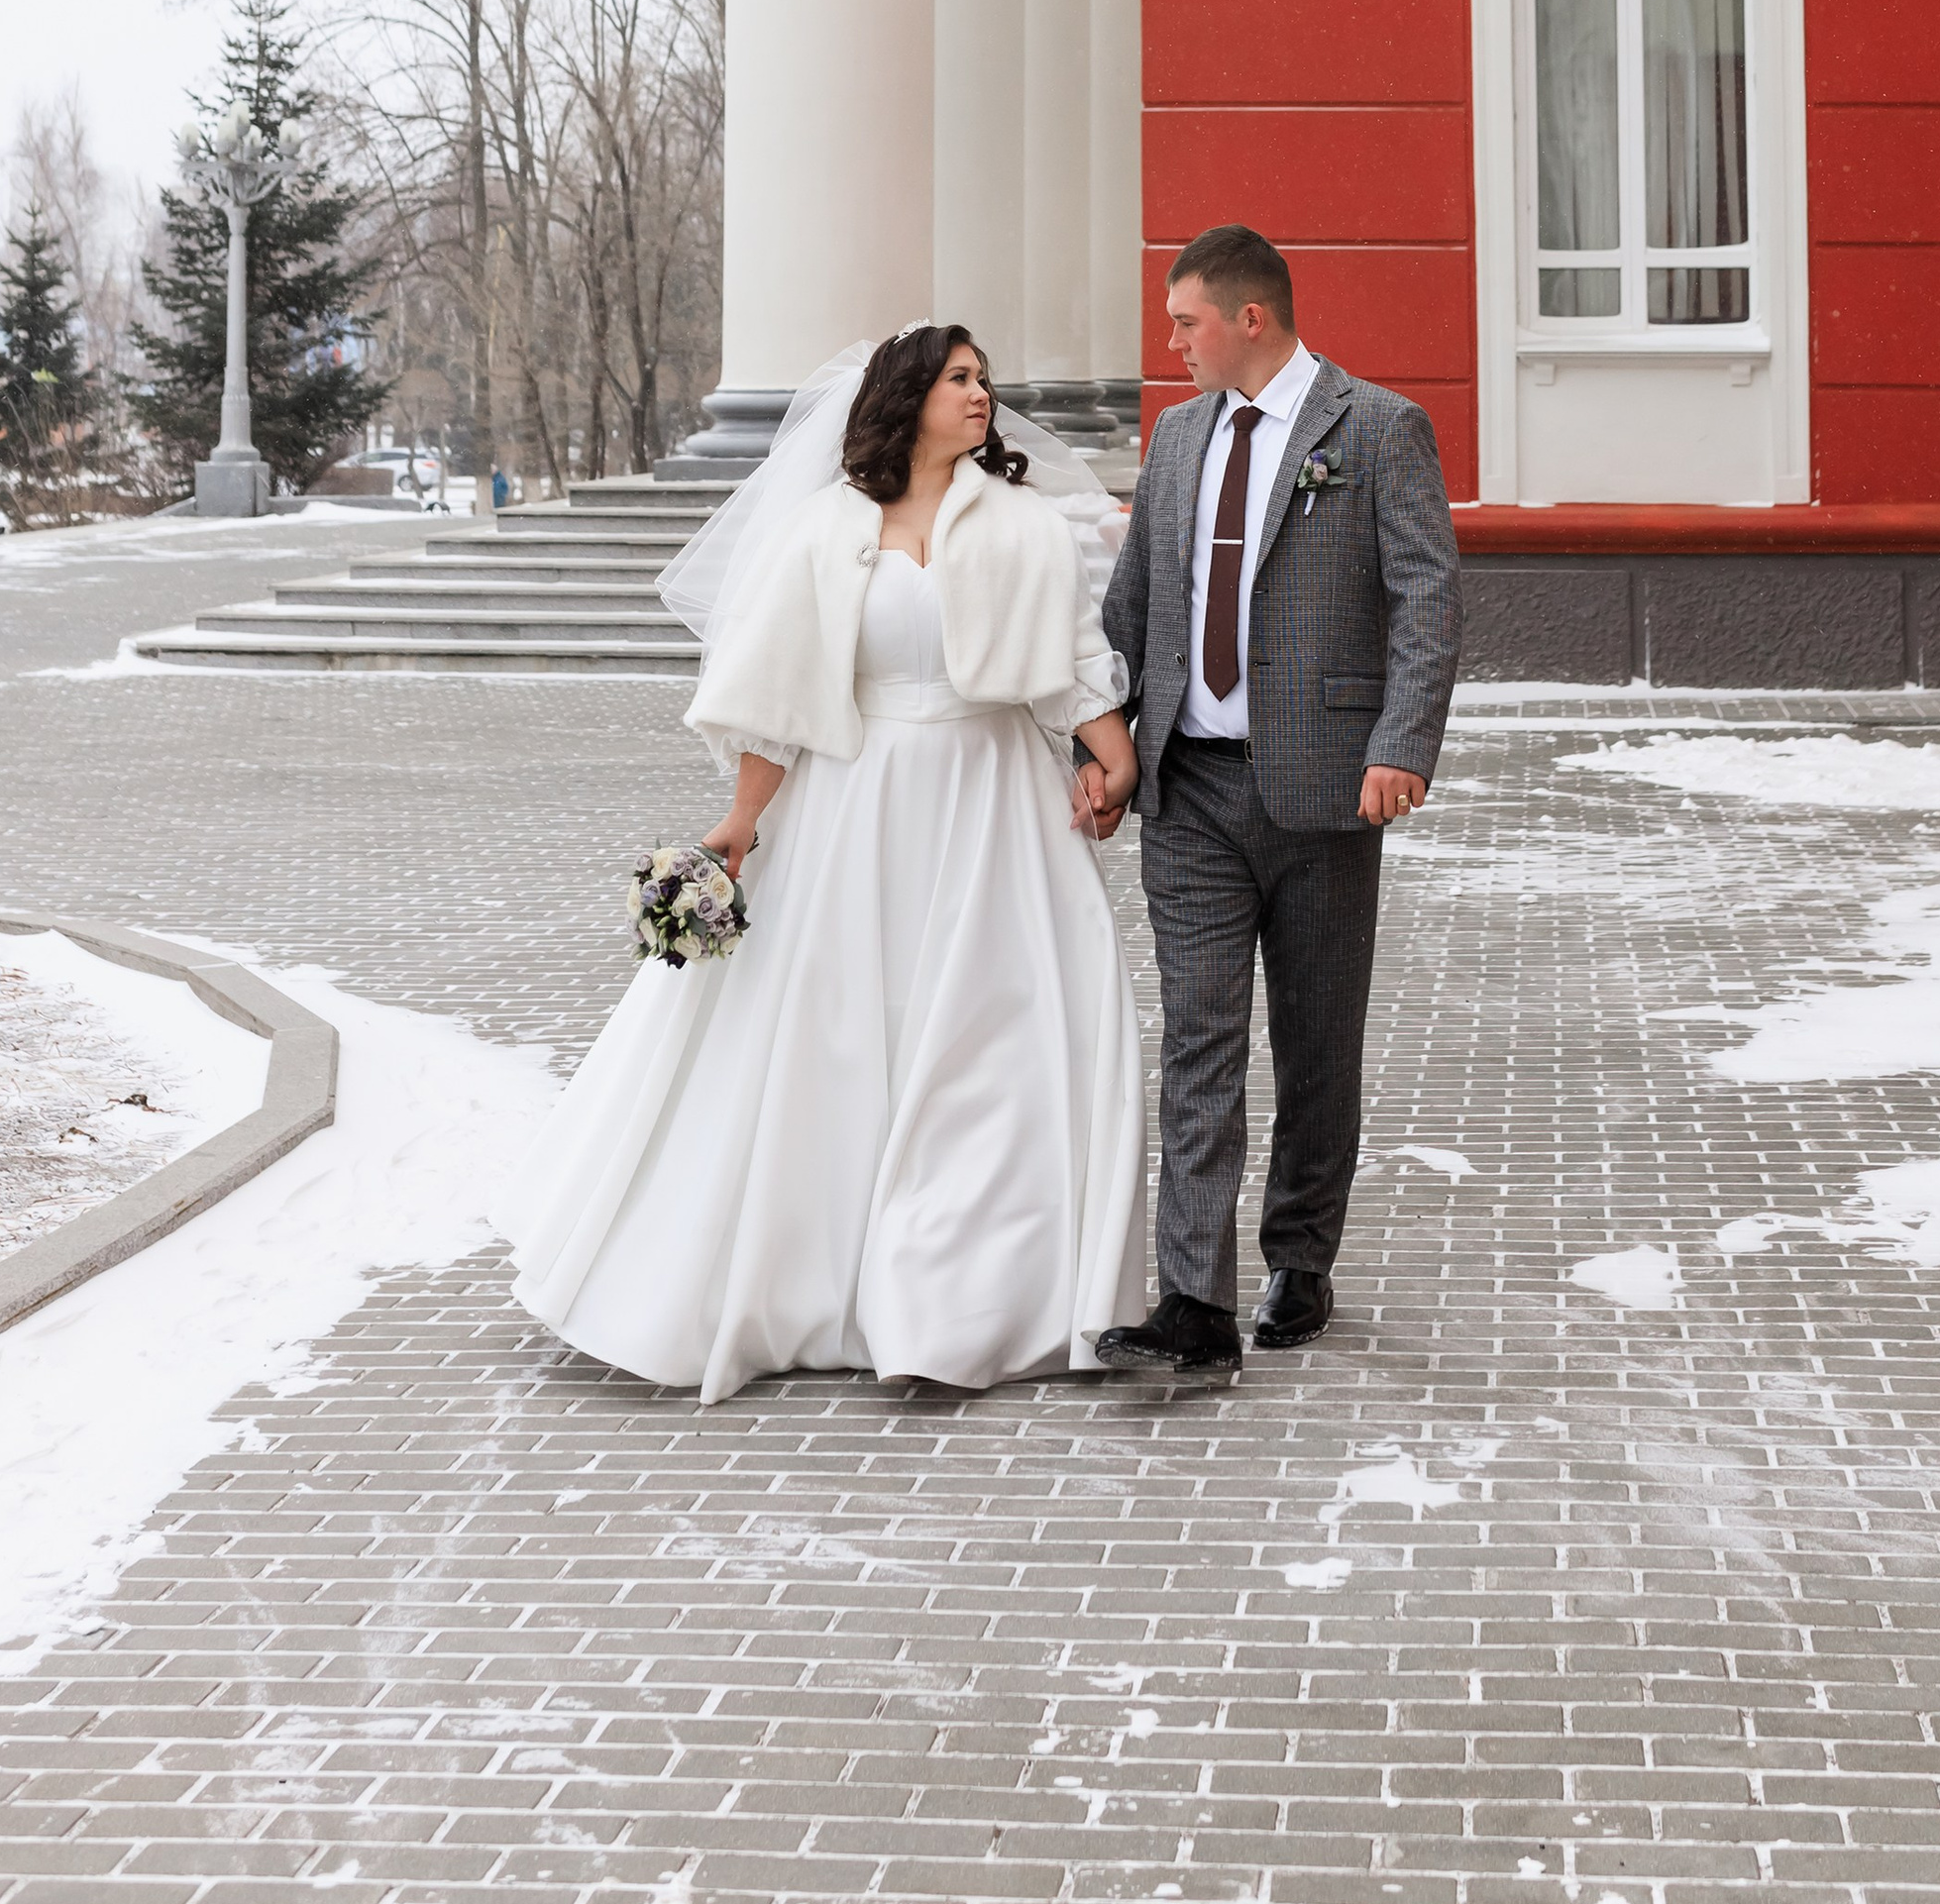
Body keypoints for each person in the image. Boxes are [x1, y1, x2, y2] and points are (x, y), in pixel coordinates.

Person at [496, 326, 1146, 1401]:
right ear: (907, 398)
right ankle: (821, 1289)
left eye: (984, 379)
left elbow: (1075, 660)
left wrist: (1111, 763)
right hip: (858, 803)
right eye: (958, 379)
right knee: (843, 1043)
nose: (982, 394)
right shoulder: (821, 531)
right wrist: (742, 826)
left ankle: (958, 1305)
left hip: (994, 808)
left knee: (993, 1042)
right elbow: (779, 696)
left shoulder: (1026, 525)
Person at [1090, 225, 1459, 1371]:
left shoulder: (1378, 427)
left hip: (1326, 791)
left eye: (1186, 320)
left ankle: (1300, 1257)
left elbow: (1427, 600)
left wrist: (1401, 744)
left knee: (1314, 1041)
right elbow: (1132, 605)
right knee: (1200, 1038)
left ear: (1252, 316)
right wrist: (1099, 746)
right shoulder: (1176, 435)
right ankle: (1191, 1302)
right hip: (1190, 787)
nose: (1173, 342)